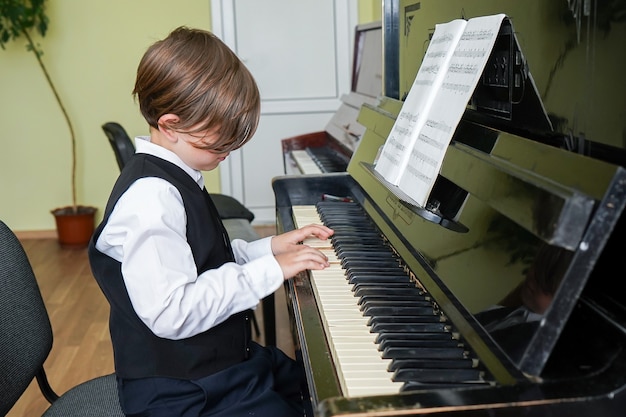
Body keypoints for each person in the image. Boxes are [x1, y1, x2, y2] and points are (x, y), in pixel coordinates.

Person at [88, 26, 334, 417]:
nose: (227, 153)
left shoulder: (175, 174)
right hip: (181, 393)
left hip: (216, 365)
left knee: (318, 385)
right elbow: (173, 312)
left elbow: (201, 260)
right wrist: (267, 272)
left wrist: (269, 249)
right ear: (170, 125)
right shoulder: (151, 199)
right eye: (218, 145)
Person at [475, 244, 573, 361]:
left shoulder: (533, 344)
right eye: (537, 265)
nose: (533, 276)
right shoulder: (506, 312)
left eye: (548, 279)